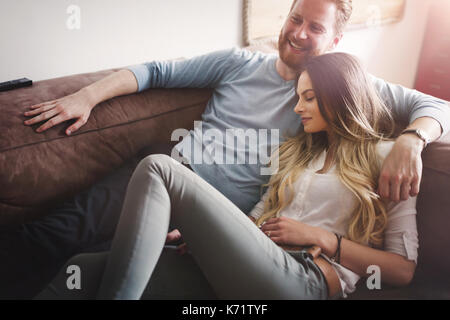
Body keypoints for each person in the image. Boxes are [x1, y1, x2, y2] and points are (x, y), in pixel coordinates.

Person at [1, 0, 447, 298]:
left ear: (333, 43)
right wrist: (87, 97)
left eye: (315, 27)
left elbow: (432, 105)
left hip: (219, 220)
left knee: (136, 205)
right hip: (178, 184)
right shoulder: (242, 66)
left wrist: (412, 139)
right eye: (295, 18)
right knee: (58, 243)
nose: (299, 33)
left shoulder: (342, 94)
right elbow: (156, 71)